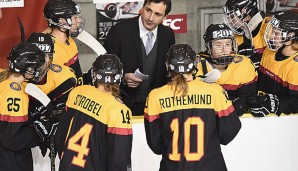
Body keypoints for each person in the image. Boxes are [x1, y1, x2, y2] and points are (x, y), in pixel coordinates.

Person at [144, 44, 241, 171]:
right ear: (194, 64)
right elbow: (228, 134)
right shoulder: (214, 90)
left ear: (168, 66)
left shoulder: (155, 96)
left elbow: (156, 146)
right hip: (211, 166)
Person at [55, 54, 133, 171]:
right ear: (119, 76)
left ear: (94, 74)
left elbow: (60, 136)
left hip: (67, 166)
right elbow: (119, 159)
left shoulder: (78, 92)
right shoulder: (120, 110)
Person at [104, 0, 175, 116]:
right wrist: (123, 77)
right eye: (148, 11)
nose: (151, 18)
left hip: (156, 107)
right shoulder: (119, 31)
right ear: (143, 8)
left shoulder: (168, 35)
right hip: (123, 105)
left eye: (158, 14)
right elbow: (104, 68)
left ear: (165, 16)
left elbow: (169, 71)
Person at [0, 42, 56, 171]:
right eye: (36, 67)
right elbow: (12, 139)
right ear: (27, 68)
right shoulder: (15, 94)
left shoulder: (4, 79)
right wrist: (40, 130)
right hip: (11, 162)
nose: (39, 70)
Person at [197, 23, 258, 115]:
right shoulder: (196, 66)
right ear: (209, 46)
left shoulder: (244, 64)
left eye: (228, 44)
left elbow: (249, 101)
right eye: (218, 45)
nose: (224, 50)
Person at [247, 10, 298, 117]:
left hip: (284, 127)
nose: (271, 35)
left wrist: (276, 103)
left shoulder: (295, 66)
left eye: (276, 32)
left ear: (291, 36)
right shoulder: (268, 51)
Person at [43, 0, 85, 85]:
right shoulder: (50, 49)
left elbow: (77, 76)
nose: (79, 20)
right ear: (61, 21)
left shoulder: (70, 41)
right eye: (75, 17)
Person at [223, 0, 269, 65]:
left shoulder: (269, 27)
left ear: (245, 10)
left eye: (232, 16)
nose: (230, 21)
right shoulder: (235, 36)